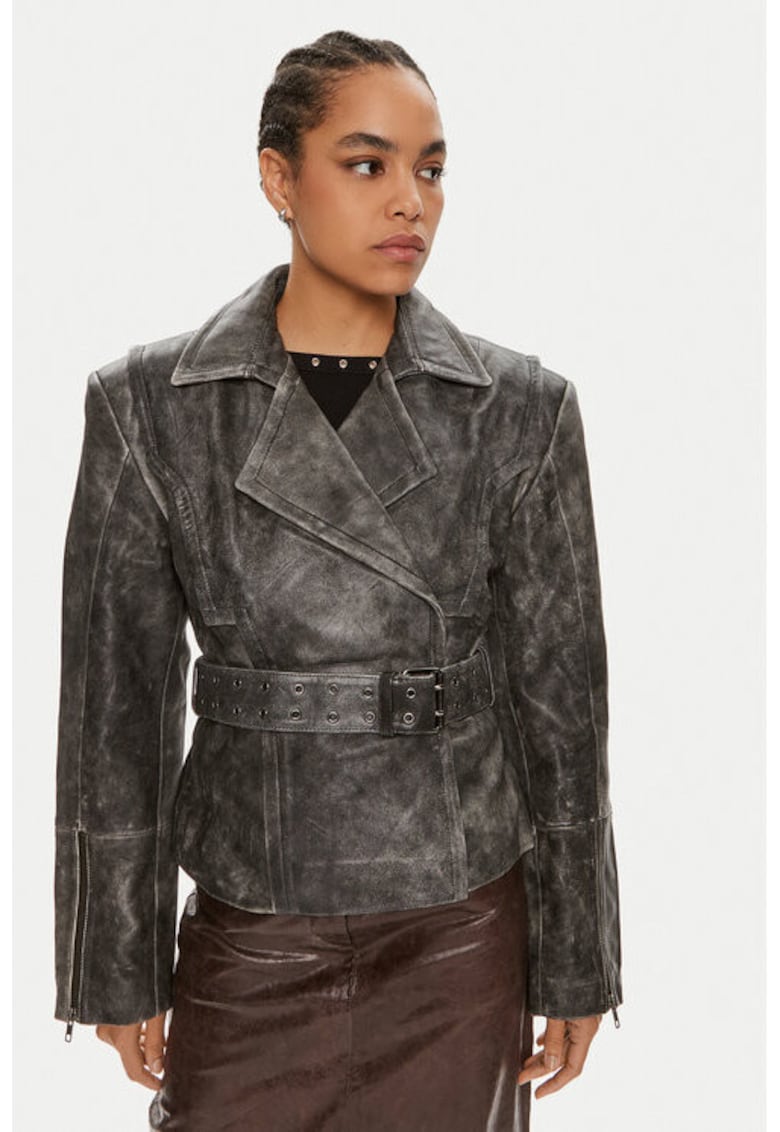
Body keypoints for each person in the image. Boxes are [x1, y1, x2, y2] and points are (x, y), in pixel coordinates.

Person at [53, 28, 623, 1132]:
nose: (410, 200)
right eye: (367, 164)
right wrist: (114, 962)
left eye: (431, 168)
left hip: (460, 929)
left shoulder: (521, 410)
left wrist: (578, 957)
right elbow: (113, 716)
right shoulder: (150, 407)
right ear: (279, 179)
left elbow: (564, 713)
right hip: (252, 925)